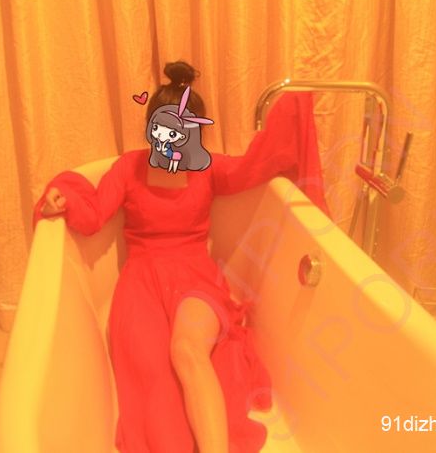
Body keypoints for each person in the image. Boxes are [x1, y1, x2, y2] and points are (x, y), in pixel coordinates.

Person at [36, 61, 296, 453]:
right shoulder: (128, 168)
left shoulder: (207, 168)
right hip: (141, 282)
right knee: (152, 374)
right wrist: (61, 201)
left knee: (187, 350)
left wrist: (293, 112)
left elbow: (254, 166)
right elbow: (92, 214)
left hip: (196, 278)